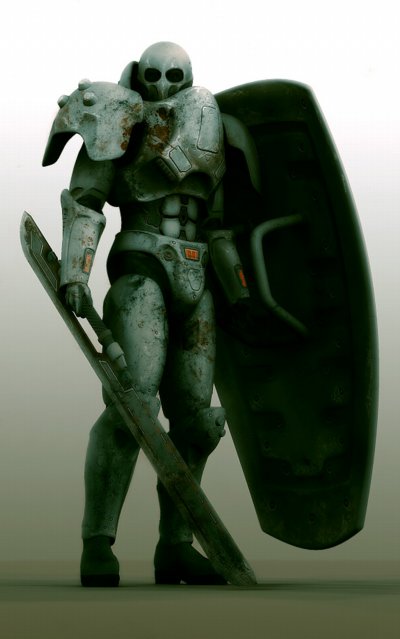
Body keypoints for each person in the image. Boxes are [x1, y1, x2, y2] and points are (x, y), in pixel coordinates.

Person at [43, 41, 257, 586]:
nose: (163, 87)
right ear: (139, 76)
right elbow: (86, 199)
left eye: (174, 77)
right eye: (154, 75)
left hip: (197, 277)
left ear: (189, 78)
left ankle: (175, 546)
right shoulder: (121, 115)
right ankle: (98, 542)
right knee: (132, 403)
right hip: (142, 266)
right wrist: (75, 271)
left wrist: (239, 291)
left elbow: (219, 227)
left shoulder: (216, 129)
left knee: (197, 420)